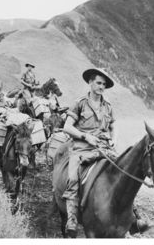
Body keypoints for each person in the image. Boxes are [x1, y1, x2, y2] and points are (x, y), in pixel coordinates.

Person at [62, 68, 117, 237]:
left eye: (104, 84)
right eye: (99, 83)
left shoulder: (108, 106)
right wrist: (85, 136)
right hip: (81, 149)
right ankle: (71, 219)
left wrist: (113, 138)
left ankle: (134, 215)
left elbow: (113, 126)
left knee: (122, 171)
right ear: (90, 83)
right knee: (72, 178)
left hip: (103, 148)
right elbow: (67, 127)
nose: (102, 87)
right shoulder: (80, 103)